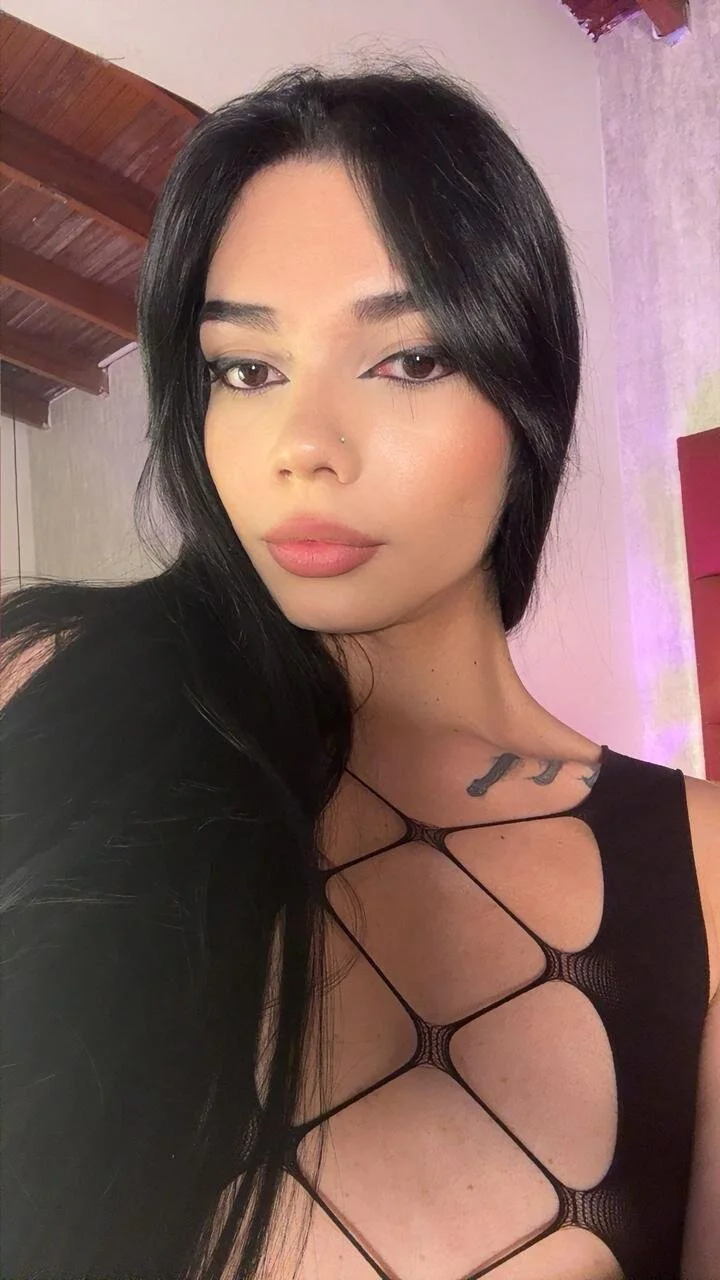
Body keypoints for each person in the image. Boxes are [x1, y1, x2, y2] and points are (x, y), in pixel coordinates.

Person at [1, 59, 718, 1280]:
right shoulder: (58, 687)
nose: (304, 447)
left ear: (528, 393)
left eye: (409, 360)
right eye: (245, 369)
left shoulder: (703, 868)